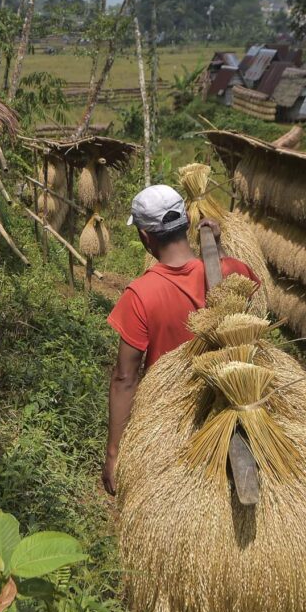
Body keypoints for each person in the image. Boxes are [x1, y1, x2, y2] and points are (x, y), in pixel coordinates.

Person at [101, 184, 260, 495]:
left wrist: (113, 453)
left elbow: (125, 379)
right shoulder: (233, 272)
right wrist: (217, 249)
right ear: (187, 222)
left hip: (173, 421)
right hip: (240, 404)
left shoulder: (139, 295)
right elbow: (246, 302)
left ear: (145, 237)